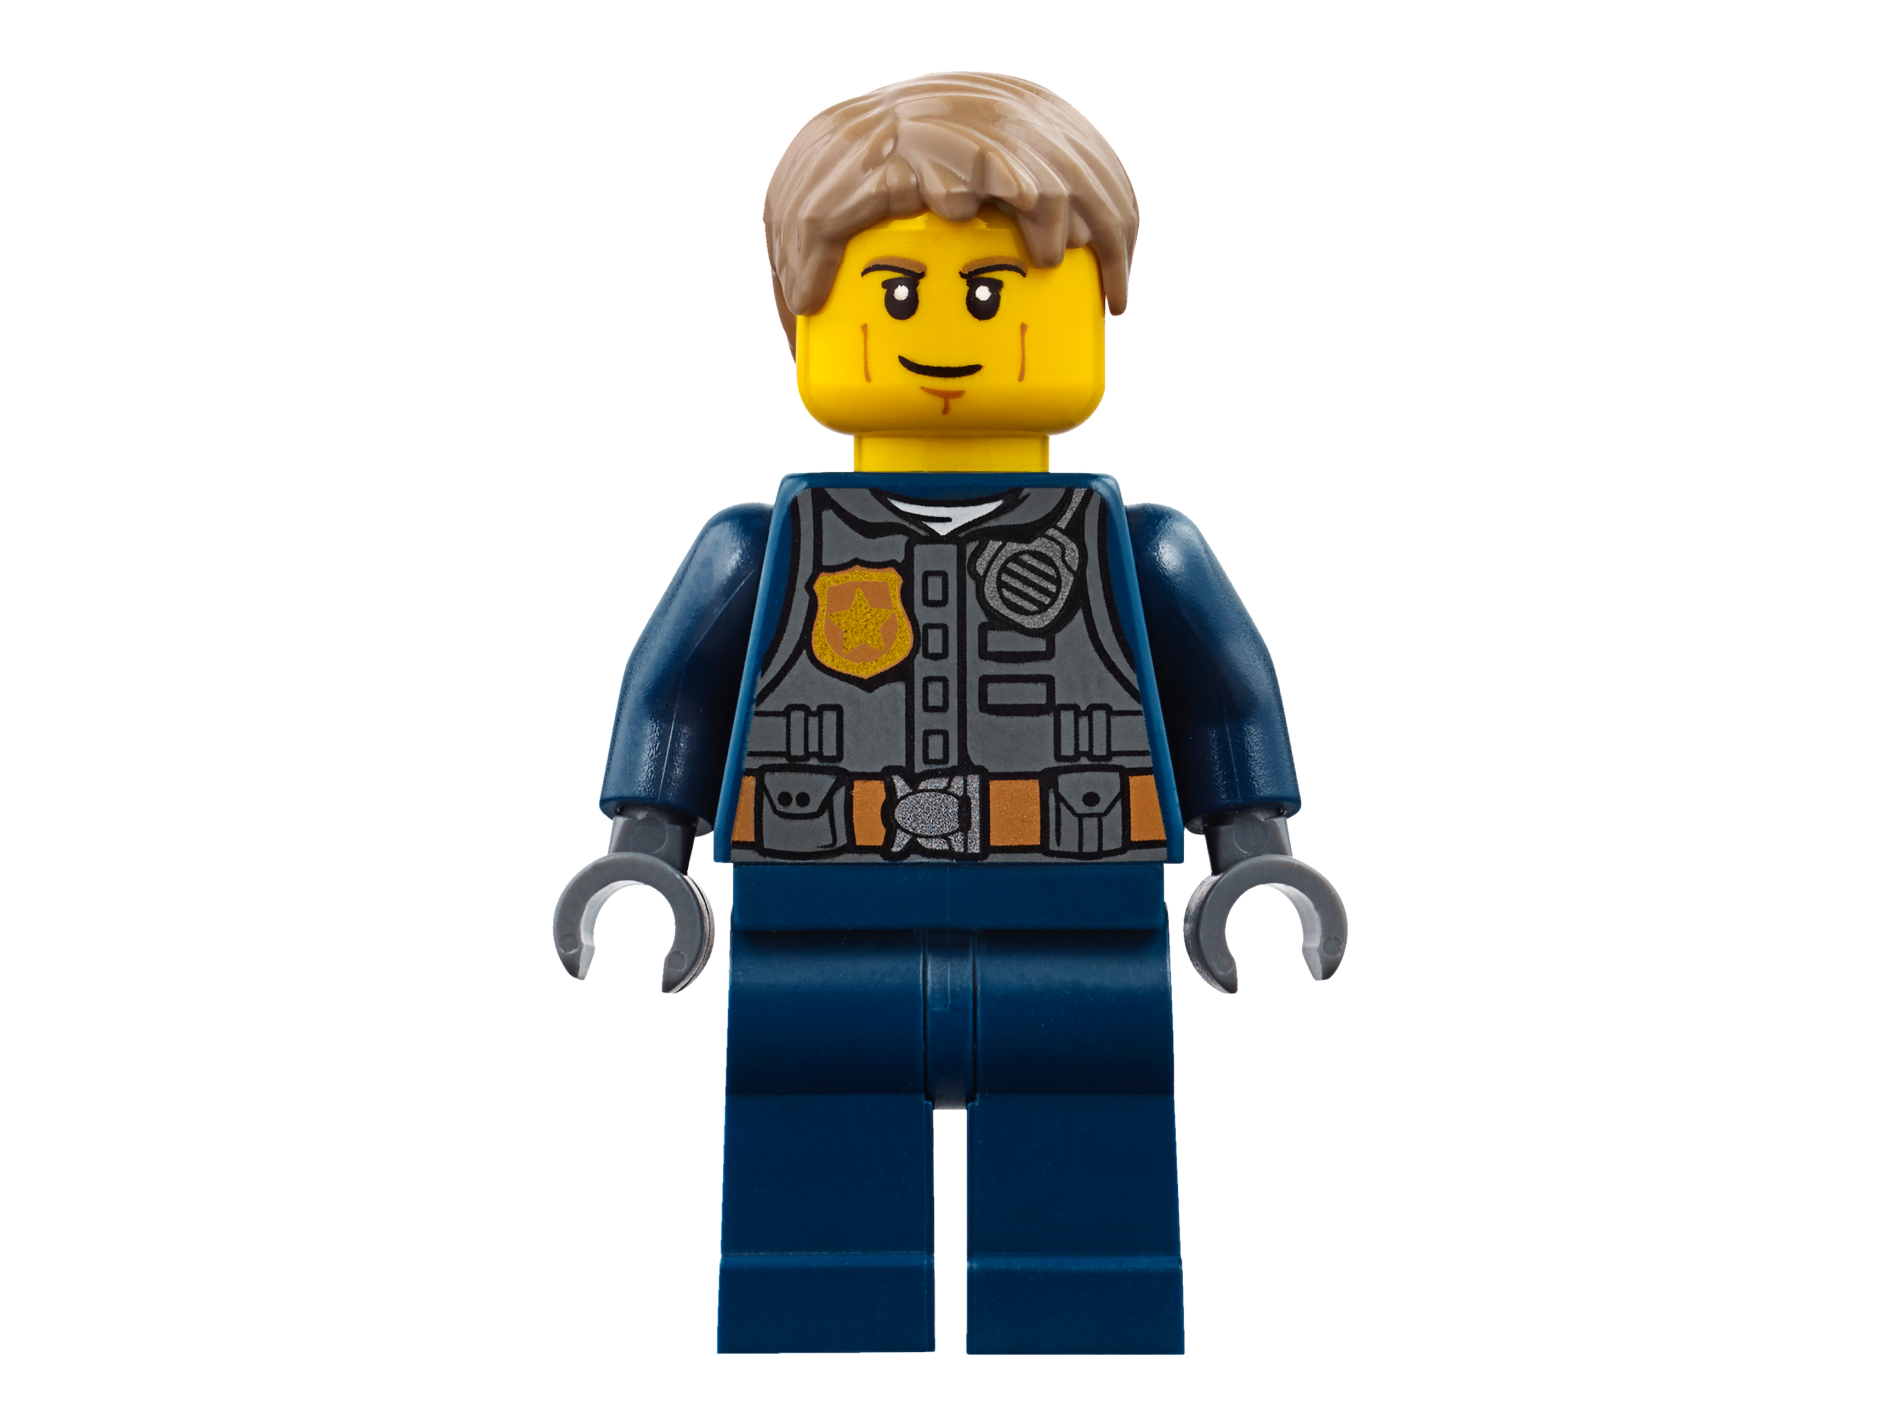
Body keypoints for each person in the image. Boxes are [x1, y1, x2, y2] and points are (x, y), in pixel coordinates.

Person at [559, 72, 1342, 1354]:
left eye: (992, 294)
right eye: (893, 293)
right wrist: (645, 850)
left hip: (1079, 910)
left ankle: (1082, 1345)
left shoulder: (1141, 549)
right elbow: (674, 690)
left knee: (1091, 1168)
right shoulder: (759, 548)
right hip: (816, 912)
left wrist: (1252, 855)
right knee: (808, 1168)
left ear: (1097, 308)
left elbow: (1226, 693)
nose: (944, 332)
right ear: (801, 319)